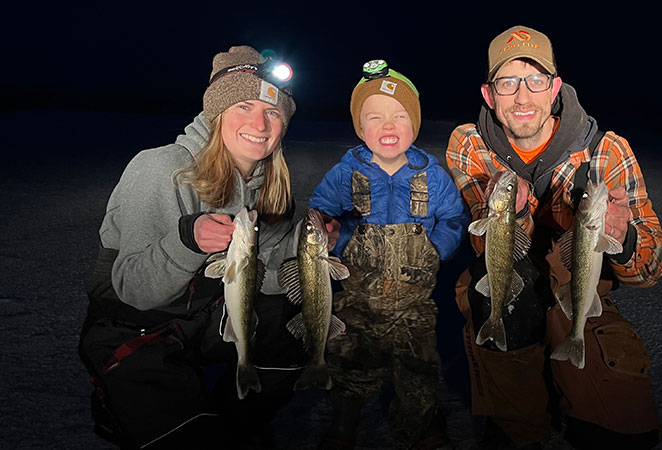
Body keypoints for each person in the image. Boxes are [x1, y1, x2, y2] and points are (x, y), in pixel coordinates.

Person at [78, 45, 329, 449]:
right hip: (134, 326)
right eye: (243, 107)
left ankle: (230, 418)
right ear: (216, 114)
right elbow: (133, 291)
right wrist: (186, 241)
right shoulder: (161, 168)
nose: (259, 123)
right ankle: (133, 404)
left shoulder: (269, 187)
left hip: (206, 314)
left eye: (272, 112)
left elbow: (268, 285)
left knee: (291, 335)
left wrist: (307, 248)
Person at [445, 26, 662, 450]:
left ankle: (569, 376)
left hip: (577, 292)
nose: (522, 97)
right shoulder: (468, 143)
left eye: (535, 80)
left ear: (555, 88)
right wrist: (514, 216)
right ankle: (518, 407)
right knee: (489, 297)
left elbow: (653, 267)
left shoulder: (608, 150)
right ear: (489, 94)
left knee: (624, 435)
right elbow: (486, 248)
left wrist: (622, 239)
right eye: (508, 83)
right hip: (509, 296)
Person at [308, 59, 467, 450]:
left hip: (415, 304)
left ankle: (420, 422)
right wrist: (333, 235)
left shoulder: (433, 176)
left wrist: (436, 248)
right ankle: (344, 423)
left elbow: (454, 219)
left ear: (414, 122)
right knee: (349, 361)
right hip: (356, 300)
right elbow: (320, 210)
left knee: (419, 367)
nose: (389, 126)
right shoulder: (346, 172)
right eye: (375, 118)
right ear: (360, 128)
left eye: (399, 116)